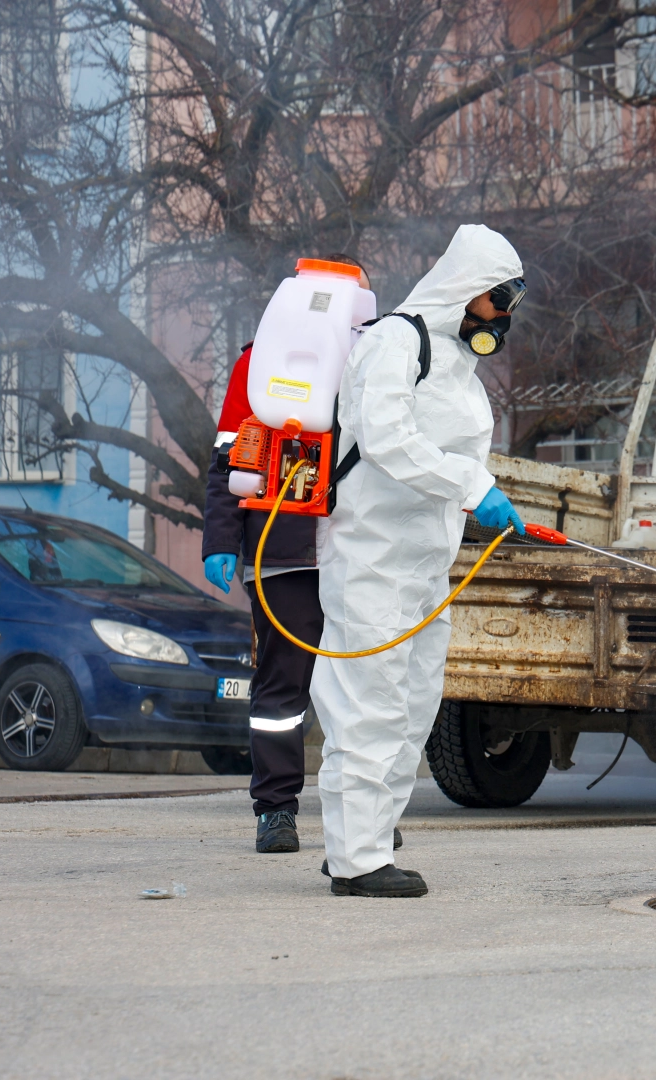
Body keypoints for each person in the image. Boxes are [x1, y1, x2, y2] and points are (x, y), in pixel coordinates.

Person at [309, 225, 528, 898]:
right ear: (465, 290)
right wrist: (472, 490)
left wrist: (476, 493)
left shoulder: (456, 363)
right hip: (370, 561)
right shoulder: (392, 342)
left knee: (411, 709)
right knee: (367, 707)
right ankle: (357, 861)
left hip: (424, 569)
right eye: (498, 299)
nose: (504, 316)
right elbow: (385, 439)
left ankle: (365, 836)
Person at [201, 253, 401, 857]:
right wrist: (220, 541)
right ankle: (276, 809)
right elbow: (229, 459)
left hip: (355, 550)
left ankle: (364, 814)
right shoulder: (259, 362)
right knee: (281, 691)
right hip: (283, 551)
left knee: (360, 687)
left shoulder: (380, 360)